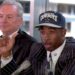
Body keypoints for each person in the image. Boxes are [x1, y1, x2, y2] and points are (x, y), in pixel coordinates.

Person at [0, 0, 46, 75]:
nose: (3, 20)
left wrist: (6, 57)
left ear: (20, 21)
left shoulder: (32, 45)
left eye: (9, 17)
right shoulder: (1, 40)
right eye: (0, 16)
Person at [34, 11, 75, 75]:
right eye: (42, 32)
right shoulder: (37, 49)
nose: (46, 37)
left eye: (51, 32)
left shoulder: (72, 51)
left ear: (63, 32)